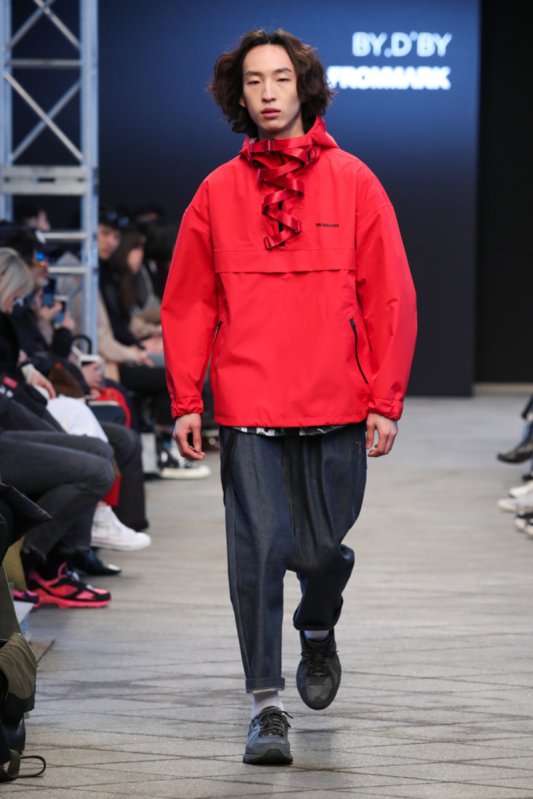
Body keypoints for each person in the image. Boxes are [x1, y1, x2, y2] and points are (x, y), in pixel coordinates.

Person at [162, 28, 417, 766]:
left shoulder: (356, 181)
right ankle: (265, 706)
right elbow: (188, 301)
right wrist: (186, 398)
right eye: (253, 81)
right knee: (258, 549)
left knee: (320, 552)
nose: (268, 93)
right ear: (237, 96)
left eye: (280, 78)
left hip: (336, 398)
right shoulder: (216, 192)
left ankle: (317, 621)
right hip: (249, 399)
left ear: (304, 86)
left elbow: (389, 295)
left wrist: (385, 397)